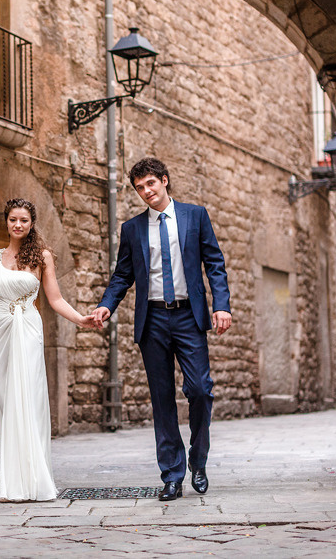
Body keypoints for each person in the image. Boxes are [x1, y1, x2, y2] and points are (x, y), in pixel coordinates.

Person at [92, 158, 232, 501]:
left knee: (200, 390)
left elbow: (214, 262)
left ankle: (198, 460)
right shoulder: (132, 229)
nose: (146, 192)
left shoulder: (194, 216)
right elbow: (122, 275)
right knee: (162, 399)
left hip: (189, 317)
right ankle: (172, 474)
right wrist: (107, 303)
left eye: (151, 184)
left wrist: (222, 305)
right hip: (152, 320)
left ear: (165, 181)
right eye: (139, 188)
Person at [0, 198, 99, 502]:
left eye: (24, 220)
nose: (18, 225)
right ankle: (12, 482)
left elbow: (55, 299)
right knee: (5, 402)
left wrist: (81, 319)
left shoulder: (42, 257)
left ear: (31, 223)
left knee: (25, 396)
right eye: (13, 219)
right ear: (7, 221)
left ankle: (35, 479)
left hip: (26, 328)